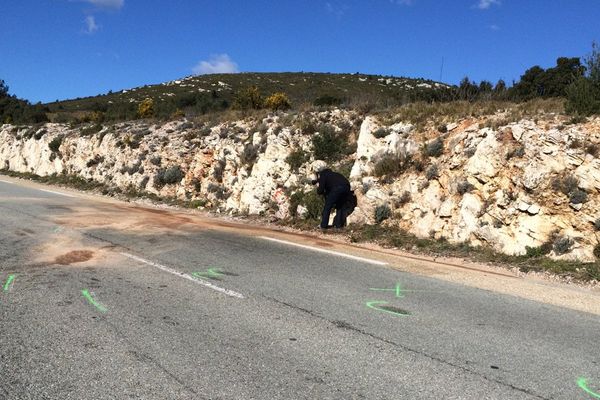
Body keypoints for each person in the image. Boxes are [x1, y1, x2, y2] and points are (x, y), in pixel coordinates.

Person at [311, 161, 352, 229]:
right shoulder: (333, 174)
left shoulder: (323, 175)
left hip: (337, 189)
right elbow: (332, 184)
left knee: (327, 206)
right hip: (347, 187)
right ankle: (338, 226)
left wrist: (318, 187)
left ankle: (323, 226)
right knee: (340, 206)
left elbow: (320, 191)